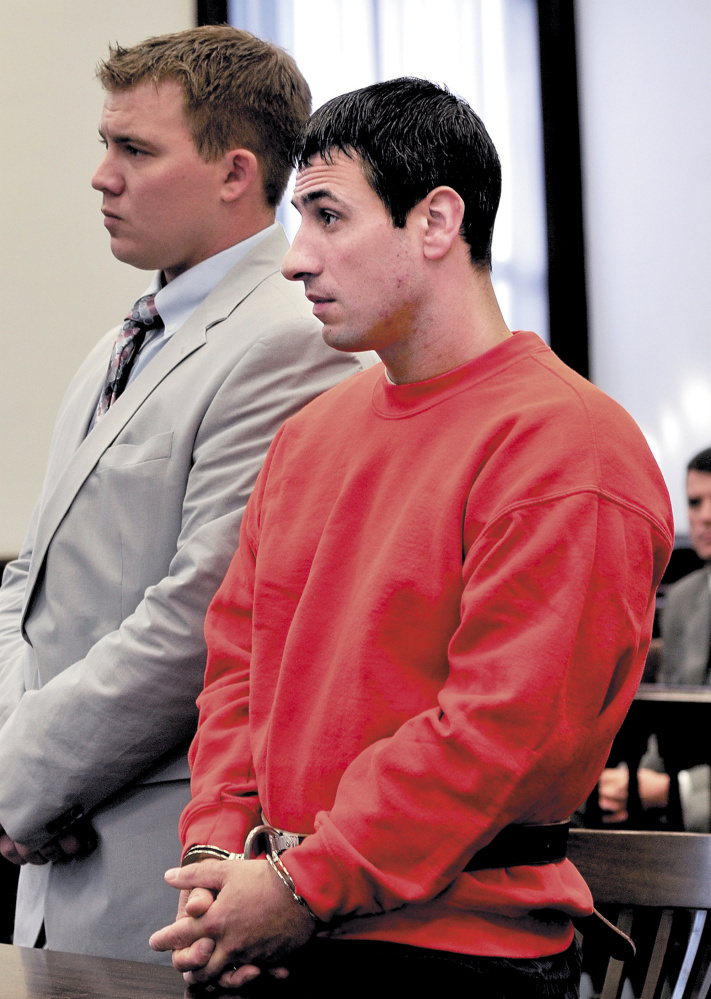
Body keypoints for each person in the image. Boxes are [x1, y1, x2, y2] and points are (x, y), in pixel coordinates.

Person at [149, 78, 673, 997]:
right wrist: (217, 857)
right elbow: (238, 666)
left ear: (436, 222)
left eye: (327, 215)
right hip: (278, 922)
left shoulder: (568, 446)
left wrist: (299, 883)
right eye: (294, 218)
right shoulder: (309, 435)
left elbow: (499, 733)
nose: (294, 258)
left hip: (455, 952)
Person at [0, 26, 369, 964]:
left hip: (155, 854)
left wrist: (17, 782)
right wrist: (13, 767)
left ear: (234, 172)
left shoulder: (291, 339)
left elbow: (199, 615)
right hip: (50, 834)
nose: (101, 175)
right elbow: (31, 581)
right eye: (103, 144)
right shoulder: (125, 337)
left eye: (135, 149)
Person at [598, 447, 711, 830]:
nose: (705, 516)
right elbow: (668, 722)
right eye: (695, 502)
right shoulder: (681, 599)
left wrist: (673, 787)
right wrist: (634, 781)